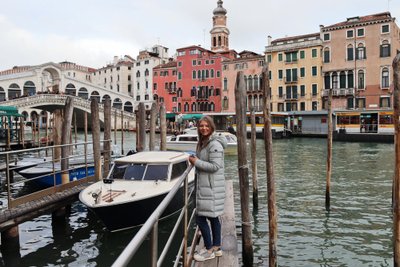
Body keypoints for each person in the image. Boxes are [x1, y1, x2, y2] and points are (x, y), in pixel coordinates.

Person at [188, 116, 227, 262]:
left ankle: (209, 249)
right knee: (213, 217)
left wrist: (196, 161)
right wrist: (196, 158)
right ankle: (217, 247)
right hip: (208, 186)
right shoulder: (204, 142)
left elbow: (215, 167)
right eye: (201, 126)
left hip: (210, 187)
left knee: (200, 218)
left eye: (206, 126)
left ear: (211, 127)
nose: (203, 128)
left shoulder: (214, 144)